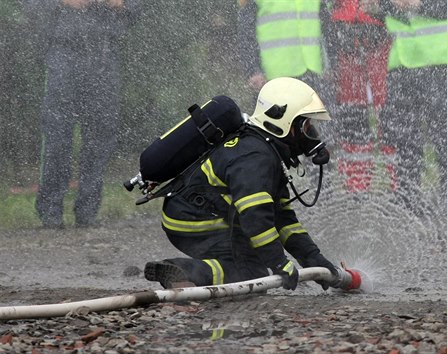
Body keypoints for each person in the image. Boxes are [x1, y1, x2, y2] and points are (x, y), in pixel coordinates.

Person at [144, 77, 340, 291]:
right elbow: (255, 216)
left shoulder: (266, 151)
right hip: (192, 219)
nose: (312, 135)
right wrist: (278, 262)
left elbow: (283, 220)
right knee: (250, 274)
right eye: (306, 126)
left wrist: (313, 259)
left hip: (199, 213)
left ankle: (190, 271)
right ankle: (182, 270)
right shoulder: (256, 157)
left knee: (250, 262)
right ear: (285, 122)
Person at [24, 0, 141, 228]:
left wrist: (119, 4)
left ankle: (88, 213)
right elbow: (31, 5)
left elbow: (135, 10)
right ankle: (50, 212)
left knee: (100, 138)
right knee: (57, 136)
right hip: (63, 55)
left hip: (105, 56)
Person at [379, 0, 447, 214]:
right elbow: (388, 10)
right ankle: (407, 196)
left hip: (438, 58)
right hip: (403, 59)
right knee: (404, 133)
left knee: (443, 129)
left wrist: (418, 5)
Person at [324, 0, 394, 194]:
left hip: (381, 44)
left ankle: (398, 184)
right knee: (352, 119)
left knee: (388, 117)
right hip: (345, 48)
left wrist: (381, 8)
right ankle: (356, 186)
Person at [236, 0, 327, 99]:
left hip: (312, 72)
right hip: (273, 77)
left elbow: (327, 27)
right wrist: (252, 70)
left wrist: (330, 64)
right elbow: (246, 33)